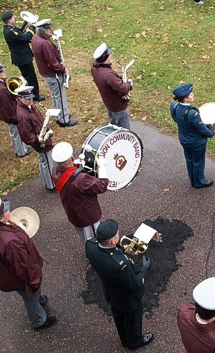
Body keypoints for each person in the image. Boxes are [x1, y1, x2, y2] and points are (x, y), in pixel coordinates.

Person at [0, 194, 56, 330]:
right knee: (29, 297)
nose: (9, 211)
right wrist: (33, 282)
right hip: (20, 276)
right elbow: (22, 267)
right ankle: (38, 321)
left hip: (9, 269)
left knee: (33, 295)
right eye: (6, 211)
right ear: (2, 217)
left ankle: (38, 298)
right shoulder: (10, 242)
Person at [85, 220, 153, 349]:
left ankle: (124, 339)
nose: (119, 235)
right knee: (132, 320)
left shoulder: (90, 245)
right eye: (117, 234)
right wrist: (144, 269)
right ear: (112, 242)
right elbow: (133, 286)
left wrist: (119, 250)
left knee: (119, 317)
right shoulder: (121, 265)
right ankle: (134, 342)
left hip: (111, 293)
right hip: (127, 300)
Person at [51, 141, 109, 244]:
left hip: (74, 214)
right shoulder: (81, 179)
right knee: (94, 240)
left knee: (84, 238)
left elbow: (68, 174)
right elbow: (102, 185)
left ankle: (89, 251)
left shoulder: (55, 171)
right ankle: (95, 257)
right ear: (72, 157)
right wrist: (102, 166)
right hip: (88, 216)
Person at [31, 19, 76, 127]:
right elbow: (53, 63)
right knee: (60, 96)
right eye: (48, 28)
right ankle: (64, 119)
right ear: (42, 30)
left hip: (46, 73)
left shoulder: (35, 38)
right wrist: (63, 69)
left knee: (55, 95)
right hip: (53, 74)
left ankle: (57, 115)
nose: (51, 30)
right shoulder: (45, 43)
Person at [170, 83, 214, 188]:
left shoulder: (174, 106)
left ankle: (193, 180)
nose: (193, 94)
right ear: (185, 100)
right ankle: (199, 182)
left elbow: (175, 117)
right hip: (196, 142)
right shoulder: (193, 114)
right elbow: (202, 129)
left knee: (189, 160)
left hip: (184, 139)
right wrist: (211, 134)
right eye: (190, 94)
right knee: (198, 162)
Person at [0, 61, 32, 157]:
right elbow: (7, 105)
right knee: (17, 132)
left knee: (13, 133)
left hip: (5, 115)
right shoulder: (2, 89)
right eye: (2, 72)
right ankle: (21, 151)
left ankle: (18, 149)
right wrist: (14, 118)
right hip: (10, 116)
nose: (5, 73)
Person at [15, 85, 55, 191]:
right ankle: (51, 184)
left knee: (43, 162)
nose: (30, 100)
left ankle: (46, 181)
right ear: (20, 98)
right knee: (47, 162)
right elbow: (25, 134)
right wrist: (38, 141)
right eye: (27, 99)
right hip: (40, 142)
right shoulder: (23, 115)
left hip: (41, 137)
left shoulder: (29, 106)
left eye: (31, 97)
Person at [1, 11, 45, 102]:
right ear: (9, 20)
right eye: (13, 17)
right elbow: (25, 38)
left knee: (27, 75)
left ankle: (28, 92)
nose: (15, 18)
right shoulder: (10, 31)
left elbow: (19, 33)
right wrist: (32, 28)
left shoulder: (10, 28)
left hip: (21, 57)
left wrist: (25, 23)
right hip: (22, 58)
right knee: (30, 76)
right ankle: (35, 95)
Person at [91, 43, 133, 129]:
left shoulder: (94, 69)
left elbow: (110, 83)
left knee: (113, 127)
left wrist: (117, 80)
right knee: (124, 133)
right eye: (109, 55)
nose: (111, 56)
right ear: (104, 58)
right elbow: (122, 89)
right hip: (119, 107)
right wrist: (129, 84)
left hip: (109, 105)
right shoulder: (108, 75)